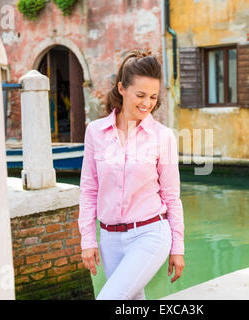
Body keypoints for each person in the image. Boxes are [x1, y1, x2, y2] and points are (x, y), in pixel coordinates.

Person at [78, 50, 185, 300]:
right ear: (121, 89)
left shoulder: (163, 137)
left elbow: (172, 196)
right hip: (109, 240)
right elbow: (89, 190)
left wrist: (177, 247)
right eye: (140, 95)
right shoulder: (95, 132)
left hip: (150, 233)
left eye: (153, 97)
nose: (147, 103)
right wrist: (88, 239)